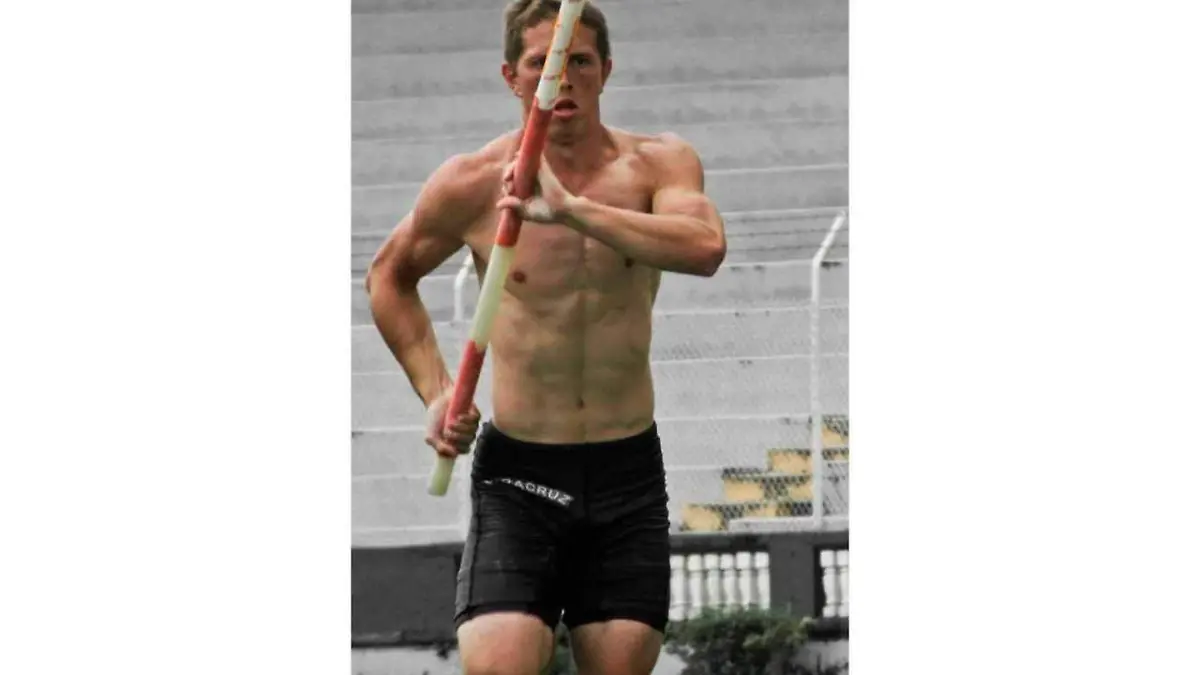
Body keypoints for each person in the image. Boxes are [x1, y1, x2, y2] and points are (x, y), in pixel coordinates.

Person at [365, 1, 726, 672]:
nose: (562, 77)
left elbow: (704, 247)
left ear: (606, 70)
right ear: (512, 77)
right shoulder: (475, 182)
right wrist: (436, 393)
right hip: (520, 474)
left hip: (625, 473)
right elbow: (388, 276)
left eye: (579, 61)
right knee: (498, 663)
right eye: (543, 63)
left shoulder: (658, 165)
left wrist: (572, 210)